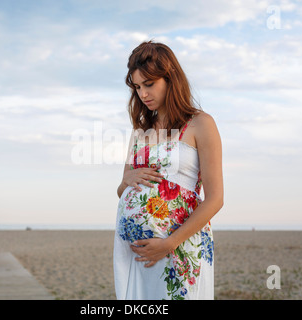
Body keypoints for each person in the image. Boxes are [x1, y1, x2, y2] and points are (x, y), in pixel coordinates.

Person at [114, 40, 224, 300]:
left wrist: (168, 244)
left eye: (149, 84)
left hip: (178, 245)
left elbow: (216, 199)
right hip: (136, 251)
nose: (143, 94)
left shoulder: (200, 124)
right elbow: (122, 190)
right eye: (138, 87)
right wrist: (127, 179)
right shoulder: (140, 130)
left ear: (170, 77)